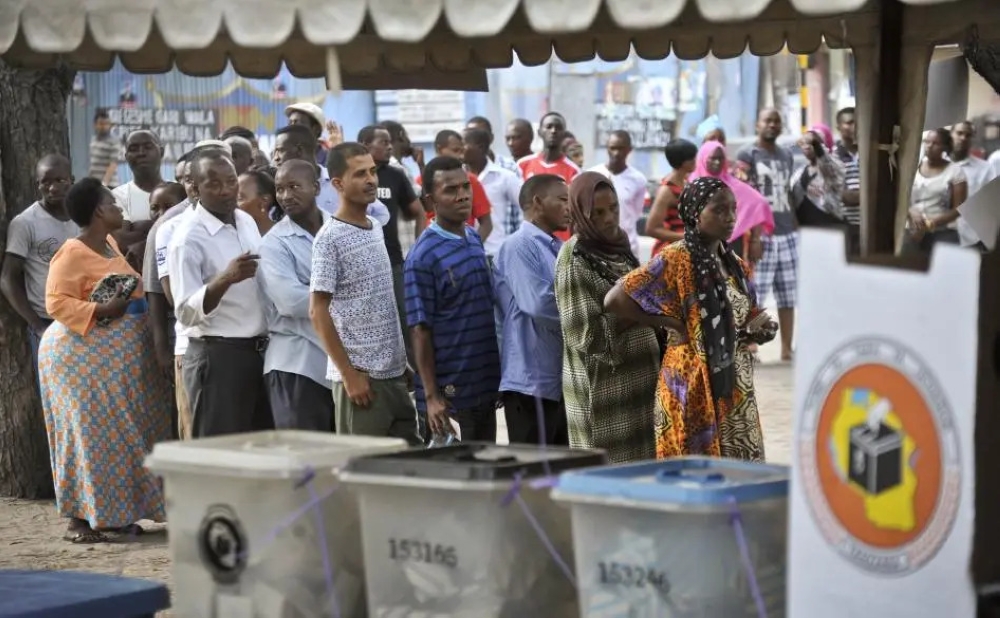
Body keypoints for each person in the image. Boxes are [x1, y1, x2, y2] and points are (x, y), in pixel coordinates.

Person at [605, 177, 777, 461]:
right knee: (692, 469)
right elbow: (615, 300)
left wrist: (762, 329)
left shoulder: (735, 264)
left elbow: (749, 314)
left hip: (732, 383)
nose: (731, 218)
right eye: (720, 210)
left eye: (734, 209)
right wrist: (672, 323)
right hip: (690, 382)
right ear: (696, 213)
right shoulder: (676, 258)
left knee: (736, 470)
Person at [39, 177, 171, 543]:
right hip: (81, 360)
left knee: (118, 435)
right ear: (99, 211)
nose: (119, 208)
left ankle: (113, 514)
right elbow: (56, 302)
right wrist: (101, 308)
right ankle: (79, 520)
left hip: (113, 362)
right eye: (113, 203)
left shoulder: (109, 243)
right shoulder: (72, 251)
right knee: (89, 436)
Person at [309, 142, 420, 444]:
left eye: (372, 171)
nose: (371, 179)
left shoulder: (374, 226)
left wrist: (400, 361)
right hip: (361, 382)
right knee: (363, 475)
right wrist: (349, 375)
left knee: (406, 471)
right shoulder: (329, 239)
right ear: (338, 183)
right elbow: (318, 311)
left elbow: (379, 299)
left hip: (394, 375)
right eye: (360, 174)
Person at [168, 150, 273, 437]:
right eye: (214, 184)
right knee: (221, 455)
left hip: (258, 354)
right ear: (195, 187)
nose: (226, 190)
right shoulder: (187, 238)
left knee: (260, 451)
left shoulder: (245, 220)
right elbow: (185, 313)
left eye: (231, 181)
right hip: (218, 358)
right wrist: (224, 279)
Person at [556, 172, 659, 462]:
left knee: (642, 471)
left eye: (613, 208)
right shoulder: (574, 258)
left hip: (640, 382)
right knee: (610, 474)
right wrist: (637, 312)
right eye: (597, 212)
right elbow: (585, 334)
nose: (609, 218)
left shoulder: (619, 245)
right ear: (580, 213)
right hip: (604, 392)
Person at [405, 156, 501, 441]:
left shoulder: (472, 238)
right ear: (431, 199)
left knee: (487, 476)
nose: (462, 196)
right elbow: (420, 331)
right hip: (450, 397)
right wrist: (433, 397)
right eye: (451, 190)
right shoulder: (423, 256)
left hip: (482, 386)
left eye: (465, 187)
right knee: (457, 479)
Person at [494, 174, 571, 446]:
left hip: (556, 378)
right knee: (531, 471)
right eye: (562, 200)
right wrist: (584, 317)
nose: (569, 207)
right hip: (531, 380)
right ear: (537, 202)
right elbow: (539, 304)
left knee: (558, 467)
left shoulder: (556, 247)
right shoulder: (520, 245)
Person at [259, 160, 335, 431]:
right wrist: (347, 296)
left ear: (315, 187)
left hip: (339, 365)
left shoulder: (339, 229)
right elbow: (290, 301)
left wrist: (317, 291)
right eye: (280, 189)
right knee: (304, 463)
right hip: (297, 365)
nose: (286, 196)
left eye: (294, 187)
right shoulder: (274, 243)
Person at [1, 155, 79, 378]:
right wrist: (36, 326)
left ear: (71, 180)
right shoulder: (26, 222)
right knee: (54, 392)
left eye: (60, 180)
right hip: (48, 322)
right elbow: (8, 278)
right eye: (46, 182)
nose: (53, 188)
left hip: (85, 318)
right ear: (38, 185)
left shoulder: (82, 217)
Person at [358, 124, 426, 368]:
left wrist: (417, 249)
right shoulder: (353, 175)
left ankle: (418, 378)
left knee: (408, 321)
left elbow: (417, 212)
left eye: (390, 142)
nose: (389, 147)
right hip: (360, 266)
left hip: (394, 262)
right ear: (365, 145)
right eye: (383, 142)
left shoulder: (396, 175)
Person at [736, 108, 796, 362]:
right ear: (758, 125)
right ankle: (752, 346)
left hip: (788, 232)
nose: (772, 125)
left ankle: (786, 349)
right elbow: (744, 196)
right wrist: (755, 236)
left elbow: (789, 190)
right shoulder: (747, 154)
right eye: (767, 121)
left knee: (788, 294)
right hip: (762, 234)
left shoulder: (786, 154)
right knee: (756, 293)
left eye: (776, 121)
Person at [691, 140, 773, 268]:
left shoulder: (733, 184)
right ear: (702, 158)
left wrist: (755, 239)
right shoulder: (692, 183)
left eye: (720, 158)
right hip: (700, 247)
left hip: (731, 246)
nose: (717, 162)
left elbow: (759, 204)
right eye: (712, 158)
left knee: (731, 284)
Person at [419, 130, 494, 243]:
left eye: (465, 187)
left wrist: (471, 247)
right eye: (455, 150)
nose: (461, 155)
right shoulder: (419, 182)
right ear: (439, 149)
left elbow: (486, 223)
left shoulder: (471, 180)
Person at [902, 128, 968, 255]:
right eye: (927, 142)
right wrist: (910, 211)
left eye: (935, 143)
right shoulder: (913, 167)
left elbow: (959, 208)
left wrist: (930, 224)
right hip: (911, 228)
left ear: (945, 147)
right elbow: (901, 196)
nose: (929, 146)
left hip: (942, 231)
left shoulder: (956, 172)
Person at [517, 113, 580, 241]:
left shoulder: (574, 171)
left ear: (564, 133)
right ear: (540, 132)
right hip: (528, 238)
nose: (553, 131)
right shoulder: (523, 165)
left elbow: (575, 212)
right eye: (549, 127)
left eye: (558, 127)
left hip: (559, 243)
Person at [464, 128, 523, 258]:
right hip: (466, 254)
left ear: (480, 147)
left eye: (464, 144)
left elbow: (527, 206)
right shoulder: (458, 178)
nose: (460, 149)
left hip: (495, 254)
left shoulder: (505, 177)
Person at [589, 130, 648, 257]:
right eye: (612, 148)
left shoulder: (638, 179)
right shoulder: (592, 174)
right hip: (597, 245)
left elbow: (636, 213)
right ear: (607, 149)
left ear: (629, 150)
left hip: (627, 247)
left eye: (621, 148)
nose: (616, 153)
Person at [950, 120, 997, 247]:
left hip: (970, 239)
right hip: (936, 234)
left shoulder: (985, 169)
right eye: (959, 133)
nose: (963, 138)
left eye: (968, 135)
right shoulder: (937, 165)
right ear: (951, 134)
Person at [646, 139, 697, 255]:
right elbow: (651, 228)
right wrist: (684, 237)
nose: (695, 161)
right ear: (683, 162)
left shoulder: (685, 183)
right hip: (671, 253)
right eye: (692, 158)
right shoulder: (667, 190)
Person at [790, 127, 847, 229]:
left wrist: (816, 145)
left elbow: (827, 164)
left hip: (830, 227)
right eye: (805, 144)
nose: (807, 147)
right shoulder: (799, 173)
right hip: (806, 229)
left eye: (812, 143)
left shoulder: (833, 167)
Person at [833, 107, 862, 254]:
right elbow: (842, 196)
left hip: (869, 226)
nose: (854, 127)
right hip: (845, 226)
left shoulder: (868, 152)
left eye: (857, 122)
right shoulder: (833, 157)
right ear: (838, 127)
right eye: (849, 123)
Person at [285, 102, 330, 167]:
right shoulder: (284, 158)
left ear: (316, 129)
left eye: (296, 123)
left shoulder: (329, 161)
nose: (291, 127)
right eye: (290, 123)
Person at [237, 169, 279, 234]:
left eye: (239, 199)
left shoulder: (284, 240)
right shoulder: (231, 236)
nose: (231, 203)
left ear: (264, 201)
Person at [88, 109, 119, 188]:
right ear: (95, 125)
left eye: (106, 124)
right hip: (94, 184)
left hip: (109, 185)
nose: (104, 127)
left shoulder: (114, 142)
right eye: (101, 124)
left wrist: (104, 184)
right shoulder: (93, 140)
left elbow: (113, 164)